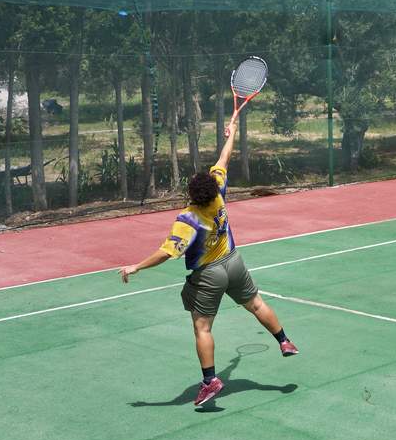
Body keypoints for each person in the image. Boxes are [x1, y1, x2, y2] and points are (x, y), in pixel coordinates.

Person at [120, 119, 297, 407]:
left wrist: (136, 266)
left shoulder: (188, 219)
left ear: (191, 194)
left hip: (210, 275)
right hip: (234, 262)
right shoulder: (219, 194)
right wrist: (232, 133)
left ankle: (210, 381)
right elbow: (224, 159)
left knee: (202, 328)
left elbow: (166, 252)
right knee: (256, 304)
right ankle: (284, 341)